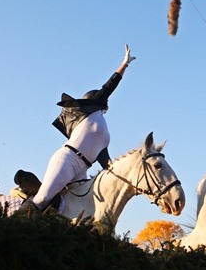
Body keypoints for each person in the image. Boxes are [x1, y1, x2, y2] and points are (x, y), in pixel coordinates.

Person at [18, 45, 136, 211]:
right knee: (42, 199)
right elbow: (109, 86)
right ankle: (16, 221)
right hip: (67, 160)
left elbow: (106, 162)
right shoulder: (90, 114)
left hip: (82, 170)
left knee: (78, 208)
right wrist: (125, 64)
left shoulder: (104, 132)